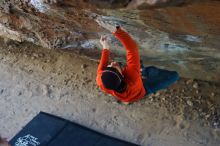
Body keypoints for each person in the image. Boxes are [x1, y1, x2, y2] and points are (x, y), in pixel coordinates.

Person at [96, 24, 179, 104]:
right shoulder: (133, 78)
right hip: (143, 90)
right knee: (174, 76)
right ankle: (144, 71)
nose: (112, 63)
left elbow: (101, 68)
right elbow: (132, 49)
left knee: (137, 64)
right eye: (114, 67)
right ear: (121, 75)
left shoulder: (101, 81)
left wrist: (105, 48)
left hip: (127, 96)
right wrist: (117, 30)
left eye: (109, 66)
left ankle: (141, 70)